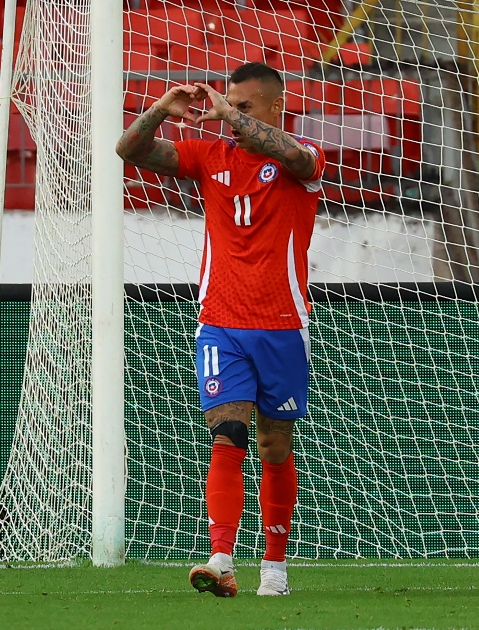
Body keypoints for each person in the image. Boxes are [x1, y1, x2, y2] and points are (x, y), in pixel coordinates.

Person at [116, 62, 327, 597]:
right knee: (226, 437)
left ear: (275, 106)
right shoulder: (211, 157)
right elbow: (130, 151)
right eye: (228, 107)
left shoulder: (304, 160)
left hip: (282, 325)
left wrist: (231, 114)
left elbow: (288, 153)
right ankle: (222, 558)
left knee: (274, 444)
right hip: (220, 324)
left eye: (244, 107)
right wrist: (162, 110)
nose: (231, 119)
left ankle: (274, 566)